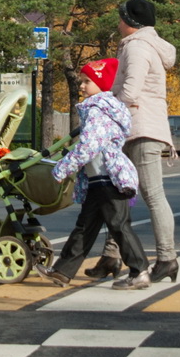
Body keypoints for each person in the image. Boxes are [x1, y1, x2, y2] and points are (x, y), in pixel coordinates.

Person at [44, 58, 149, 289]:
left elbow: (88, 146)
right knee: (86, 226)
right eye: (82, 81)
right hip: (98, 178)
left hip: (108, 178)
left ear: (101, 84)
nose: (81, 86)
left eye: (87, 81)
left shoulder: (98, 111)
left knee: (119, 225)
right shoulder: (100, 109)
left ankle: (139, 271)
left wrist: (63, 167)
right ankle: (63, 271)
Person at [102, 0, 180, 283]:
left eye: (121, 17)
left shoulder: (137, 48)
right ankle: (111, 254)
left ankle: (167, 258)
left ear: (131, 23)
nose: (118, 22)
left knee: (152, 195)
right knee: (118, 193)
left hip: (141, 129)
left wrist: (107, 109)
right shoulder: (141, 46)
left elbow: (131, 92)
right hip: (135, 128)